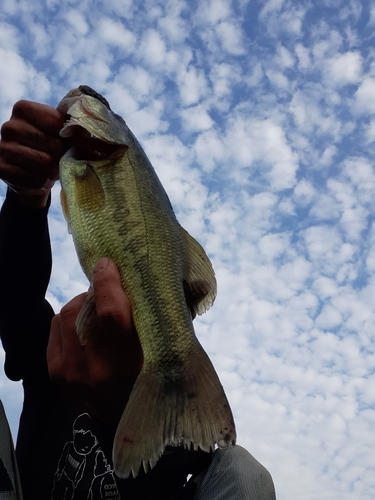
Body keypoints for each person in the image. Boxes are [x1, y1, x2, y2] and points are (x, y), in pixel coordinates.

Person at [0, 99, 276, 499]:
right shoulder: (57, 352)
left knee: (242, 472)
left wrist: (117, 410)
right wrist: (26, 198)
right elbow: (15, 301)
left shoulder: (177, 415)